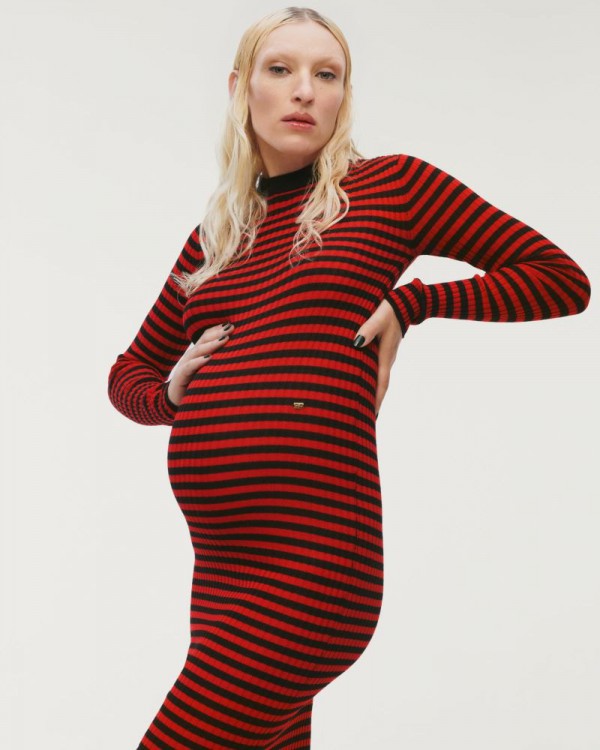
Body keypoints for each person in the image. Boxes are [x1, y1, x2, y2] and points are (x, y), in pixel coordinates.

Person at [107, 7, 591, 749]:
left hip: (311, 570)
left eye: (326, 75)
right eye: (281, 69)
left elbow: (559, 279)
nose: (305, 90)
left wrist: (414, 302)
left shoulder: (391, 188)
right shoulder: (216, 238)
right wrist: (168, 393)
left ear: (344, 95)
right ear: (240, 89)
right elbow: (128, 373)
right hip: (222, 574)